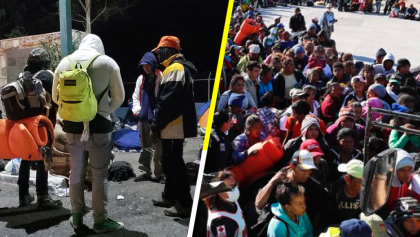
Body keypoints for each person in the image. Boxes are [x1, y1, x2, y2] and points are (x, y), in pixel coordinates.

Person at [53, 34, 125, 232]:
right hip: (100, 127)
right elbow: (119, 97)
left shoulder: (64, 63)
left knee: (75, 171)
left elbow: (55, 97)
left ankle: (76, 216)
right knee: (99, 174)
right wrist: (103, 111)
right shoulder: (107, 63)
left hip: (72, 128)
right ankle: (100, 220)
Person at [150, 36, 197, 217]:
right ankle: (169, 196)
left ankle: (184, 204)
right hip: (175, 125)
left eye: (159, 52)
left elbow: (167, 102)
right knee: (171, 162)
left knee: (174, 164)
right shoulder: (178, 68)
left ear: (165, 51)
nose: (158, 56)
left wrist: (156, 125)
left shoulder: (175, 69)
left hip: (173, 125)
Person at [17, 47, 62, 209]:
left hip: (24, 125)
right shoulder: (48, 76)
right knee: (44, 158)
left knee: (25, 157)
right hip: (42, 124)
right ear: (46, 62)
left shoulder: (22, 77)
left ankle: (23, 196)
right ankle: (42, 196)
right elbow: (56, 100)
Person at [256, 150, 329, 234]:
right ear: (292, 166)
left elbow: (318, 214)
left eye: (309, 170)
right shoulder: (278, 181)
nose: (307, 174)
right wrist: (272, 181)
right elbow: (259, 203)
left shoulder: (316, 188)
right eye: (303, 170)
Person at [132, 52, 164, 182]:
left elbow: (161, 97)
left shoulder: (160, 76)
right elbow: (135, 96)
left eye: (148, 65)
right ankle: (145, 172)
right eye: (143, 66)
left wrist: (158, 115)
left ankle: (160, 173)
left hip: (156, 119)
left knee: (159, 147)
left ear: (153, 64)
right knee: (145, 146)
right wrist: (138, 112)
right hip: (144, 118)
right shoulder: (141, 79)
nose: (146, 68)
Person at [205, 171, 248, 237]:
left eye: (235, 185)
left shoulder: (230, 199)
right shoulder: (222, 221)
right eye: (229, 187)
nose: (234, 190)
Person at [328, 159, 364, 224]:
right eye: (360, 181)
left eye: (366, 180)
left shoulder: (367, 191)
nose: (364, 185)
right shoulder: (335, 190)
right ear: (347, 179)